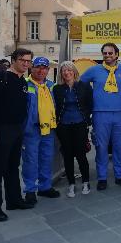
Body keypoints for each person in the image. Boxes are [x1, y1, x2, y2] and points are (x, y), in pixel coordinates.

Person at [0, 49, 35, 222]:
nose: (26, 64)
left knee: (13, 167)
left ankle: (14, 200)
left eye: (28, 61)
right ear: (13, 60)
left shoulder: (23, 82)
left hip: (17, 129)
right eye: (22, 60)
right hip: (0, 130)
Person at [81, 43, 121, 191]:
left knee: (119, 146)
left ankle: (120, 176)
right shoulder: (94, 70)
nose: (107, 56)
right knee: (101, 147)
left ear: (117, 54)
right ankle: (102, 177)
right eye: (105, 53)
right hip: (100, 113)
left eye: (110, 53)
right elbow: (80, 85)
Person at [22, 57, 60, 204]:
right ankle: (30, 190)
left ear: (48, 70)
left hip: (48, 130)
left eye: (44, 68)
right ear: (32, 68)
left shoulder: (52, 86)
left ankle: (45, 187)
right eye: (38, 67)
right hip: (31, 130)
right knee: (30, 161)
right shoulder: (24, 85)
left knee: (46, 158)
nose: (41, 70)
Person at [53, 61, 93, 198]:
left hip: (80, 124)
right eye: (64, 70)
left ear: (74, 72)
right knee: (68, 155)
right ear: (61, 74)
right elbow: (56, 107)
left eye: (69, 70)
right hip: (63, 125)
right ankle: (71, 183)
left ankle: (86, 181)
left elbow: (90, 104)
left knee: (81, 154)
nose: (67, 72)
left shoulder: (84, 86)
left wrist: (87, 119)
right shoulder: (57, 88)